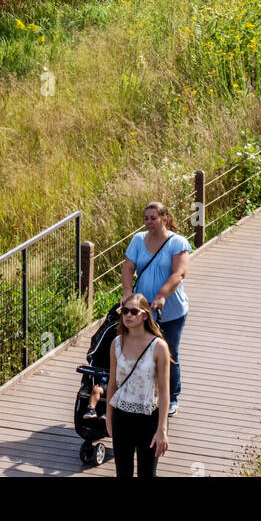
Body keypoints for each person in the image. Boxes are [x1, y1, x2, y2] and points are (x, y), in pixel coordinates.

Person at [121, 201, 191, 416]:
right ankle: (142, 393)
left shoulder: (177, 243)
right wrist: (126, 292)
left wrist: (161, 296)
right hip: (142, 310)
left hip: (170, 311)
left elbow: (179, 273)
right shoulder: (138, 240)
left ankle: (171, 397)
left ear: (164, 219)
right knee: (141, 351)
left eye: (153, 218)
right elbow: (128, 266)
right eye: (146, 218)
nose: (149, 222)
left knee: (169, 353)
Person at [105, 293, 170, 478]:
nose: (128, 315)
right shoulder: (116, 344)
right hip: (122, 417)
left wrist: (162, 429)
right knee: (122, 473)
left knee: (147, 473)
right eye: (125, 311)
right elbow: (112, 384)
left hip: (149, 418)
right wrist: (109, 420)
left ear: (144, 315)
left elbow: (165, 391)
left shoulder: (159, 347)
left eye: (134, 311)